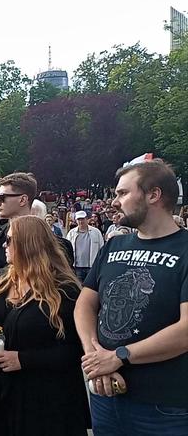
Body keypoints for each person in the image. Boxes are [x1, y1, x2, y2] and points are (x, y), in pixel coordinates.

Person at [75, 160, 188, 435]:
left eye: (123, 193)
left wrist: (120, 357)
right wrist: (95, 357)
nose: (115, 202)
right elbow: (85, 304)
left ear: (154, 195)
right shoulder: (114, 244)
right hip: (105, 396)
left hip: (163, 407)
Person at [0, 216, 90, 436]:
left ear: (28, 244)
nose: (4, 245)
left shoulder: (65, 291)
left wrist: (23, 359)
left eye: (9, 240)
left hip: (43, 400)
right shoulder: (5, 278)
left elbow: (76, 350)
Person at [66, 211, 105, 282]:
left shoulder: (96, 232)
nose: (81, 221)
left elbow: (101, 248)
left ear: (86, 219)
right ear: (76, 220)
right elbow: (67, 249)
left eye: (82, 219)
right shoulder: (71, 233)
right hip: (77, 267)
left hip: (92, 266)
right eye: (79, 219)